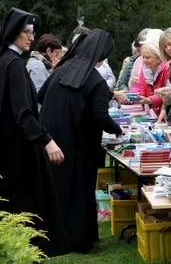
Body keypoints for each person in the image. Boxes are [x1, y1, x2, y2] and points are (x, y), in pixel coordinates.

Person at [0, 7, 70, 257]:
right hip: (15, 148)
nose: (31, 37)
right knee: (21, 202)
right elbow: (23, 112)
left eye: (32, 32)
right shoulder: (13, 64)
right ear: (13, 32)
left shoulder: (2, 60)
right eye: (26, 32)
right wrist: (47, 141)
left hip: (3, 145)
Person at [39, 29, 126, 253]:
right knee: (80, 189)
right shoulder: (94, 79)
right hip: (78, 141)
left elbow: (41, 95)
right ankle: (79, 238)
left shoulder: (63, 69)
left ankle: (56, 235)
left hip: (52, 136)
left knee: (58, 188)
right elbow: (100, 114)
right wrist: (117, 129)